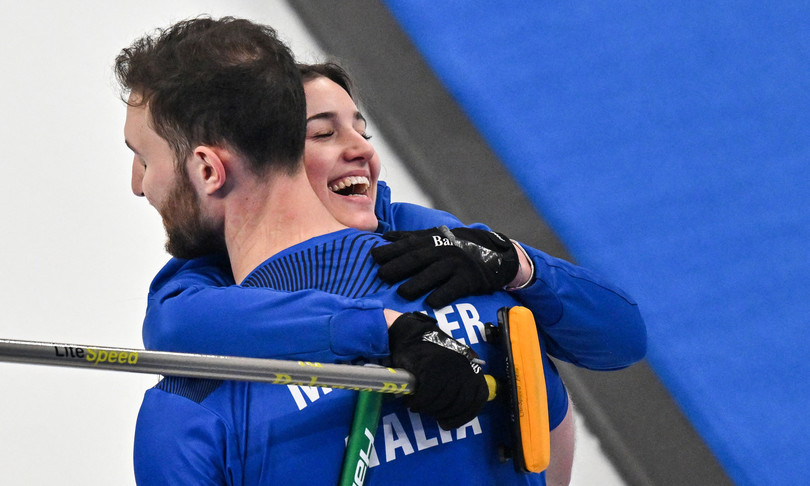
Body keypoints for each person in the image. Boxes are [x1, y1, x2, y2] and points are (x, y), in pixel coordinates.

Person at [118, 17, 574, 485]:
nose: (138, 184)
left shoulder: (186, 409)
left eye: (145, 158)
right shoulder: (484, 300)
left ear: (209, 170)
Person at [140, 61, 646, 371]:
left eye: (362, 131)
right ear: (268, 162)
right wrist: (384, 329)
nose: (362, 149)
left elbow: (622, 340)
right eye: (323, 134)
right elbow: (172, 327)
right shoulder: (219, 268)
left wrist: (518, 266)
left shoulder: (410, 229)